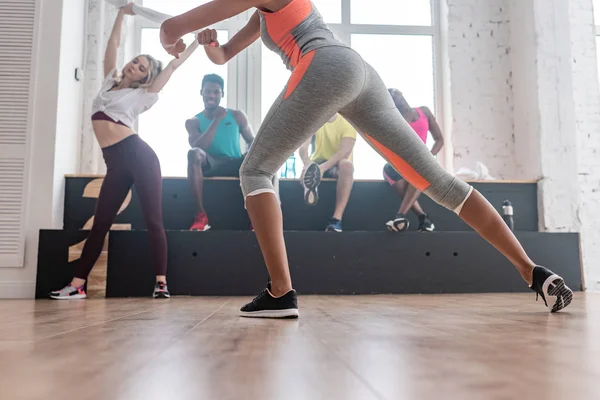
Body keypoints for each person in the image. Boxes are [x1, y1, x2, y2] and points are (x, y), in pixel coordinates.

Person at [159, 0, 572, 317]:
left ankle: (281, 292)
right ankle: (532, 271)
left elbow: (168, 28)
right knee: (440, 183)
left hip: (325, 66)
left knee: (256, 169)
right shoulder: (260, 13)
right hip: (359, 74)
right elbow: (224, 54)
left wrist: (174, 39)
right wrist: (210, 45)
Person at [50, 3, 199, 300]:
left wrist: (196, 41)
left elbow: (172, 66)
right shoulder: (109, 82)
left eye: (142, 67)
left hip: (140, 158)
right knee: (100, 223)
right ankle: (77, 285)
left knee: (153, 220)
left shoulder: (143, 96)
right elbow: (113, 44)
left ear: (146, 78)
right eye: (135, 62)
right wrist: (122, 13)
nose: (135, 66)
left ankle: (160, 283)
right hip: (116, 165)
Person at [186, 74, 254, 231]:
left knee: (263, 157)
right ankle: (200, 215)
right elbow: (200, 146)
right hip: (211, 163)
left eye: (216, 92)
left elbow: (252, 141)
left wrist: (248, 156)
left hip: (235, 162)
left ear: (222, 94)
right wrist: (217, 120)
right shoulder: (193, 122)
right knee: (193, 153)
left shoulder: (237, 116)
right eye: (208, 91)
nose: (211, 95)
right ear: (201, 92)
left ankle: (256, 217)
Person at [384, 89, 442, 232]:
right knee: (388, 169)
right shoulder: (395, 121)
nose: (396, 95)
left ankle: (400, 216)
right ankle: (423, 219)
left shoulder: (424, 112)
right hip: (404, 162)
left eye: (396, 92)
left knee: (419, 168)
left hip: (423, 162)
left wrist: (429, 156)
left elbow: (439, 140)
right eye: (391, 96)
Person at [299, 113, 356, 232]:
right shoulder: (315, 119)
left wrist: (322, 168)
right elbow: (303, 147)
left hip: (337, 164)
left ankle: (336, 219)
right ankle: (310, 188)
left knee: (347, 165)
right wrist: (307, 163)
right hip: (318, 162)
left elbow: (344, 152)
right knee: (308, 169)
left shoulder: (348, 122)